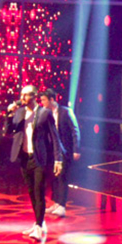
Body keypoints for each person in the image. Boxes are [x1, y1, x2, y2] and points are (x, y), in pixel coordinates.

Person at [6, 85, 64, 241]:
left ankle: (38, 226)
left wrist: (58, 159)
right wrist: (9, 114)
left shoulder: (45, 113)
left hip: (39, 158)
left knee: (39, 191)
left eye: (26, 95)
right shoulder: (20, 112)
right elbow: (9, 130)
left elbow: (55, 137)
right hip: (25, 157)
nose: (22, 98)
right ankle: (39, 222)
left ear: (34, 96)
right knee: (31, 192)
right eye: (22, 95)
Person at [39, 88, 80, 216]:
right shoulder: (45, 113)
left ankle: (62, 205)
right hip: (51, 150)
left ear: (52, 99)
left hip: (64, 149)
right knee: (54, 176)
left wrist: (76, 149)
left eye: (44, 100)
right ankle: (56, 202)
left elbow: (75, 130)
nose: (42, 103)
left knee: (62, 176)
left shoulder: (66, 112)